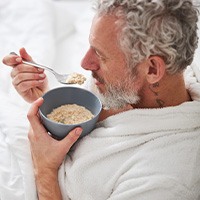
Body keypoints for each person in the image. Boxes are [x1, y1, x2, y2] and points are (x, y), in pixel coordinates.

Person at [2, 0, 200, 199]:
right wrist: (47, 97)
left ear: (152, 69)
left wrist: (44, 169)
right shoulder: (127, 89)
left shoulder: (163, 183)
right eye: (91, 46)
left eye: (100, 55)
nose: (85, 63)